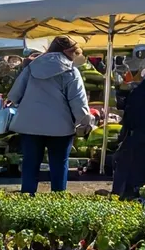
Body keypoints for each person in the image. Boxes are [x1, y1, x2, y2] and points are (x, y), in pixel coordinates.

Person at [7, 35, 90, 194]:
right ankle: (57, 202)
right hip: (61, 128)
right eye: (74, 53)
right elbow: (78, 103)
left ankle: (26, 199)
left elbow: (14, 95)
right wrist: (86, 123)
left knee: (30, 164)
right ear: (67, 52)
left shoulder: (31, 67)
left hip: (29, 125)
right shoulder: (71, 71)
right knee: (59, 164)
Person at [113, 66, 145, 198]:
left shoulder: (137, 93)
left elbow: (129, 119)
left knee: (133, 167)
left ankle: (130, 194)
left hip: (137, 137)